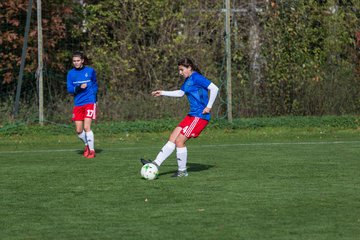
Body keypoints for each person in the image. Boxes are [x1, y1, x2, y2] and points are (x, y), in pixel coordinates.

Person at [141, 57, 219, 177]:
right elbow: (180, 93)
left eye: (182, 70)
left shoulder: (196, 77)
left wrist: (208, 107)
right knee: (173, 137)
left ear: (189, 68)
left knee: (179, 141)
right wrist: (162, 92)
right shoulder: (188, 80)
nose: (180, 73)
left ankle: (182, 171)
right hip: (192, 115)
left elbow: (214, 88)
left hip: (199, 116)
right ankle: (155, 164)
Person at [67, 51, 98, 158]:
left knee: (86, 127)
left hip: (89, 102)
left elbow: (94, 84)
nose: (76, 63)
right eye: (74, 61)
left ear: (82, 61)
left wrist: (95, 98)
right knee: (79, 130)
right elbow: (70, 89)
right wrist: (79, 87)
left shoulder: (90, 71)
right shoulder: (71, 73)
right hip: (78, 103)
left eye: (78, 61)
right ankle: (87, 145)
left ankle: (92, 151)